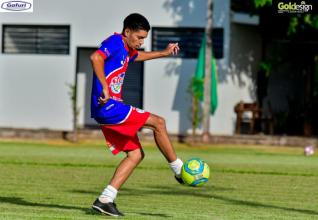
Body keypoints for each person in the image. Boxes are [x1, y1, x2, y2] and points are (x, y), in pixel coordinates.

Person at [90, 13, 184, 217]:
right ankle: (179, 170)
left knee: (135, 154)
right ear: (127, 32)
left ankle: (105, 199)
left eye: (144, 38)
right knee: (159, 122)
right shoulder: (115, 41)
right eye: (139, 37)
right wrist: (105, 87)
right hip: (108, 106)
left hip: (108, 109)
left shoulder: (126, 49)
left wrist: (163, 53)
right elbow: (95, 57)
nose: (141, 42)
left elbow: (137, 57)